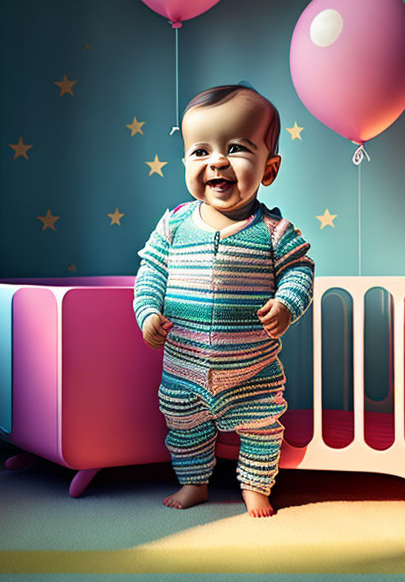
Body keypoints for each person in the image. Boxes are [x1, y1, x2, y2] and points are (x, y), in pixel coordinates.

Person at [133, 84, 314, 517]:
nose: (216, 161)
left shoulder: (273, 230)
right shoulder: (174, 225)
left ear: (269, 169)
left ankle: (255, 485)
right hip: (184, 366)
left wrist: (288, 303)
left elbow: (300, 271)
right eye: (200, 151)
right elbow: (150, 272)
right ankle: (194, 483)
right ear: (186, 163)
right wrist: (148, 312)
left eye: (235, 148)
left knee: (262, 428)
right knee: (184, 427)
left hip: (252, 369)